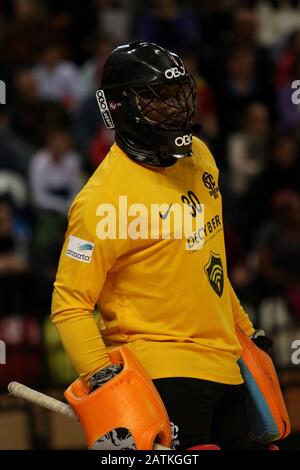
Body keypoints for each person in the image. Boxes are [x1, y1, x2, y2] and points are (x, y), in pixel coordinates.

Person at [51, 41, 273, 450]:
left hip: (227, 363)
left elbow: (211, 263)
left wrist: (246, 331)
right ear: (119, 109)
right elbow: (70, 303)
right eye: (157, 99)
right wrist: (104, 381)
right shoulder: (101, 200)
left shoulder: (201, 156)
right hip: (162, 373)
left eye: (178, 95)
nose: (177, 109)